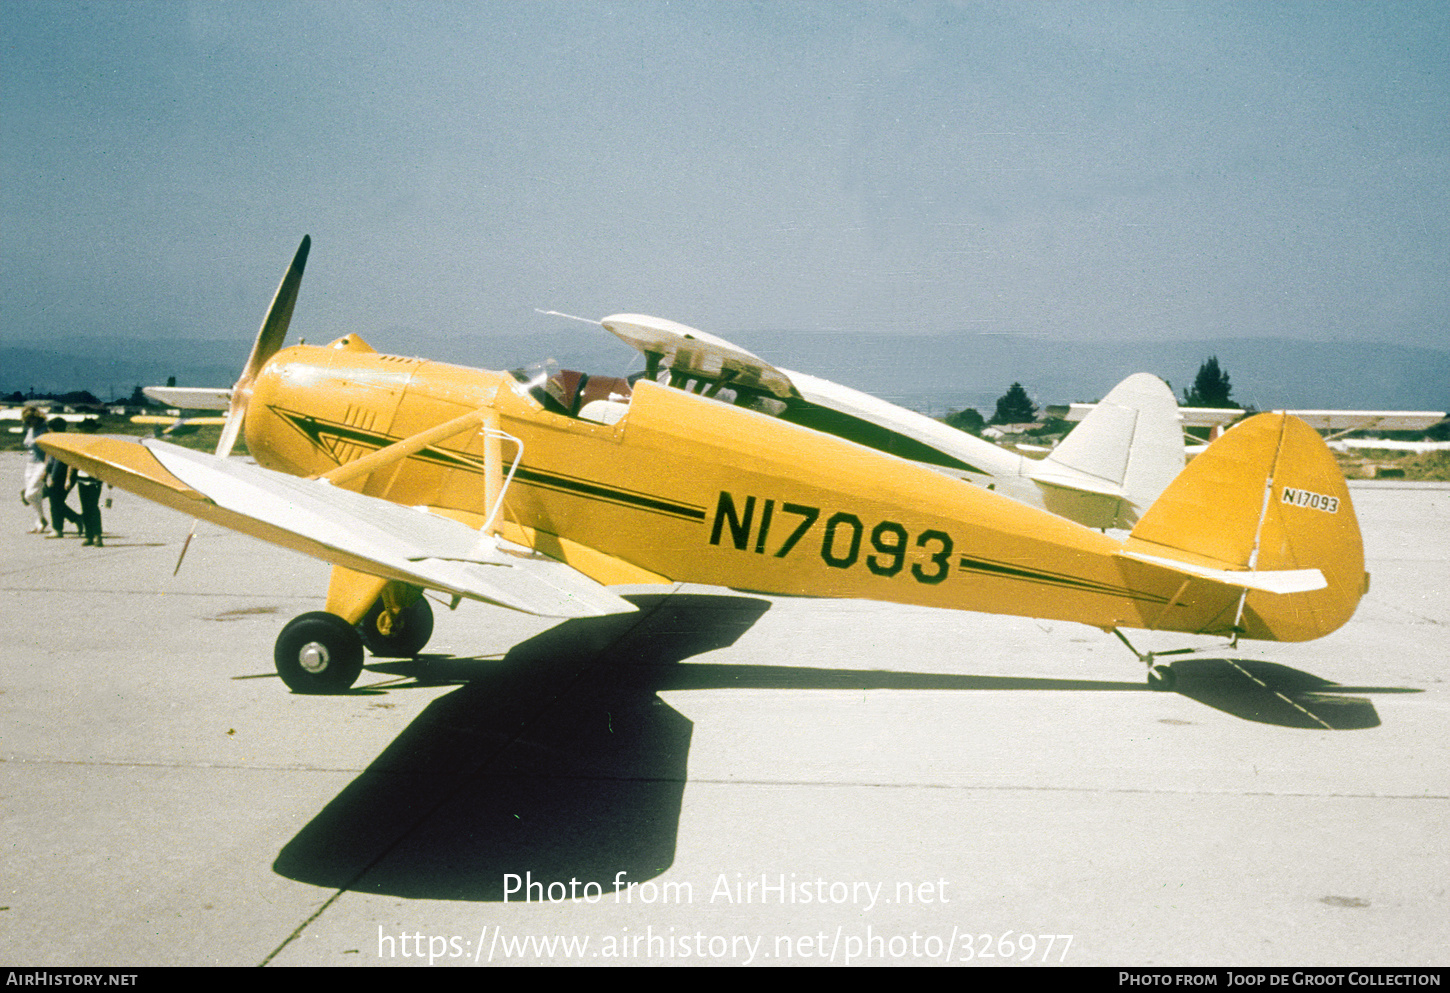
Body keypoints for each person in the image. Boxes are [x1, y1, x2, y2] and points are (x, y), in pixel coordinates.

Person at [43, 418, 83, 538]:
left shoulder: (60, 441)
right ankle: (75, 519)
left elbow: (59, 462)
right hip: (65, 476)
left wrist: (53, 479)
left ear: (52, 429)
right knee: (57, 502)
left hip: (62, 476)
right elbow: (50, 460)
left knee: (55, 502)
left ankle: (59, 529)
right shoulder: (59, 440)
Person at [20, 406, 49, 533]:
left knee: (29, 494)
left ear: (38, 417)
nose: (31, 421)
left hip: (42, 464)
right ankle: (39, 523)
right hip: (30, 464)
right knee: (36, 496)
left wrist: (46, 470)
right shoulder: (30, 429)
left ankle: (42, 519)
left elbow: (49, 451)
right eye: (28, 419)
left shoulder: (45, 430)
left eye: (33, 418)